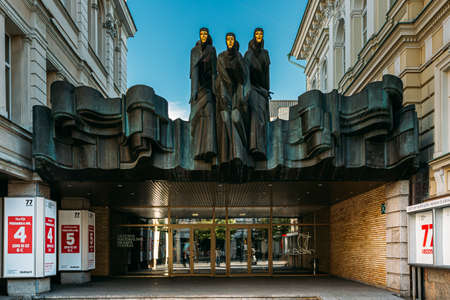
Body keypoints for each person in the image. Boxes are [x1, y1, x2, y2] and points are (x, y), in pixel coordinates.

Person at [216, 33, 250, 164]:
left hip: (237, 93)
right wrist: (224, 95)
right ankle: (231, 152)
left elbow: (243, 78)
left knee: (235, 118)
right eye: (228, 40)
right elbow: (222, 76)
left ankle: (242, 146)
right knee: (225, 118)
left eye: (232, 40)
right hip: (224, 93)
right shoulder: (221, 57)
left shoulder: (239, 57)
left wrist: (237, 60)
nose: (230, 42)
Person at [189, 27, 217, 162]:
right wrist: (193, 92)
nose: (203, 36)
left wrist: (215, 89)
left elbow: (214, 72)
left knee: (209, 114)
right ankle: (198, 150)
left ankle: (209, 148)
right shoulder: (194, 51)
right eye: (201, 34)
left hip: (209, 88)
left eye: (205, 34)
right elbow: (193, 72)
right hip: (198, 88)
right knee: (198, 117)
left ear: (208, 35)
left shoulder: (212, 50)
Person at [244, 28, 270, 160]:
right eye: (257, 34)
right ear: (254, 36)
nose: (259, 36)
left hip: (262, 91)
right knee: (256, 113)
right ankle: (255, 146)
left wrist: (267, 90)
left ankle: (262, 146)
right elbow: (246, 76)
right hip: (252, 89)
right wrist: (247, 90)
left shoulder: (265, 54)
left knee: (263, 115)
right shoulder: (248, 54)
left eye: (261, 34)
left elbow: (267, 75)